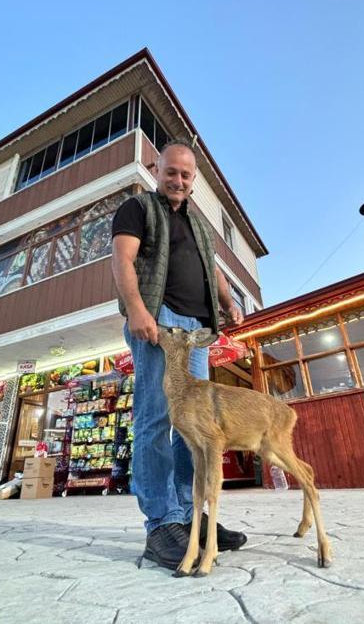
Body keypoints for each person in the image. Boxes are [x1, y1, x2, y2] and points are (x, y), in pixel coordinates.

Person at [111, 138, 247, 570]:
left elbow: (212, 267)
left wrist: (228, 303)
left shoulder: (197, 221)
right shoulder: (138, 208)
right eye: (172, 172)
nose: (178, 180)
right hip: (159, 322)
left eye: (186, 175)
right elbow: (122, 259)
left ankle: (190, 515)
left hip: (197, 330)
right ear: (158, 169)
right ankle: (161, 523)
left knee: (194, 426)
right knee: (156, 417)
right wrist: (137, 310)